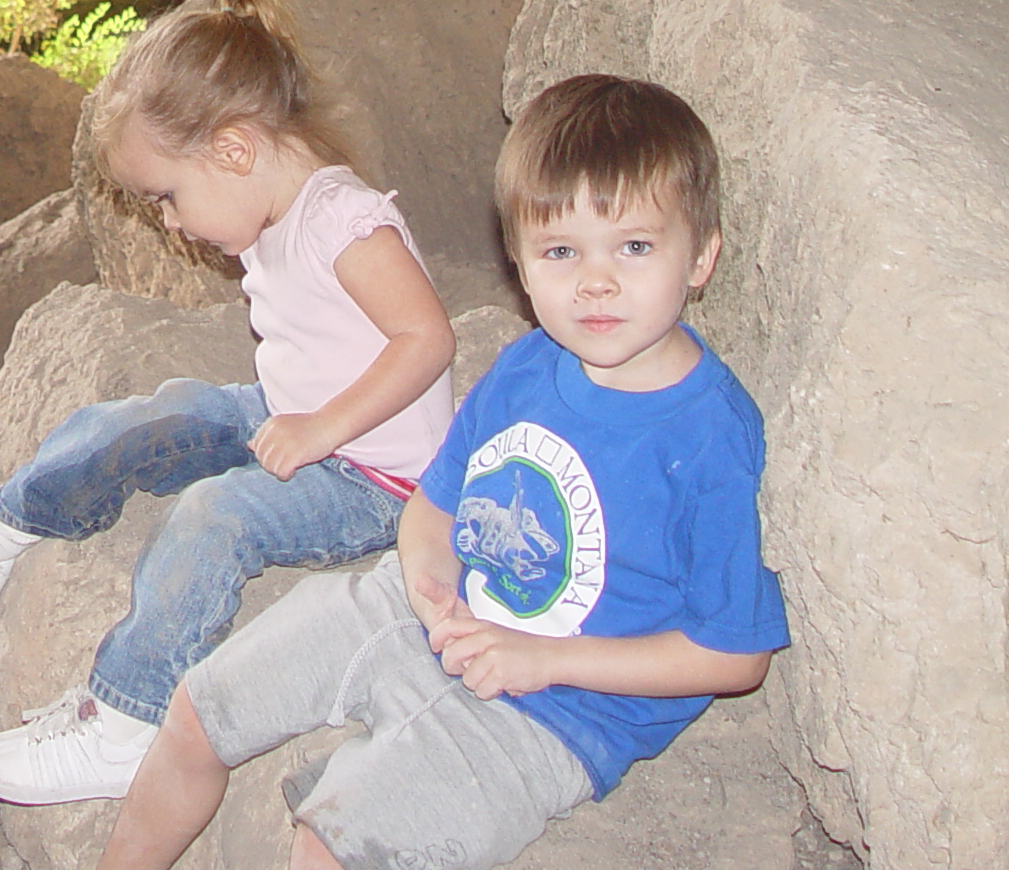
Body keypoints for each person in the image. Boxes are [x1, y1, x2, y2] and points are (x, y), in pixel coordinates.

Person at [95, 73, 790, 870]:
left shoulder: (707, 434)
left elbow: (736, 655)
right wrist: (430, 589)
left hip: (559, 711)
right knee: (199, 708)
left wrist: (544, 659)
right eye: (560, 251)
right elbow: (435, 507)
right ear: (520, 265)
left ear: (700, 256)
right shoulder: (528, 368)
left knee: (330, 843)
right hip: (423, 612)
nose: (595, 281)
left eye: (634, 246)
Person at [0, 0, 457, 806]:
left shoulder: (342, 221)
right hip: (291, 414)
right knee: (138, 419)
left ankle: (128, 717)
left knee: (215, 517)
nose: (169, 223)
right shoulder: (270, 202)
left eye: (167, 198)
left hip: (376, 475)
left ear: (234, 149)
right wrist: (297, 417)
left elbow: (426, 339)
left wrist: (324, 427)